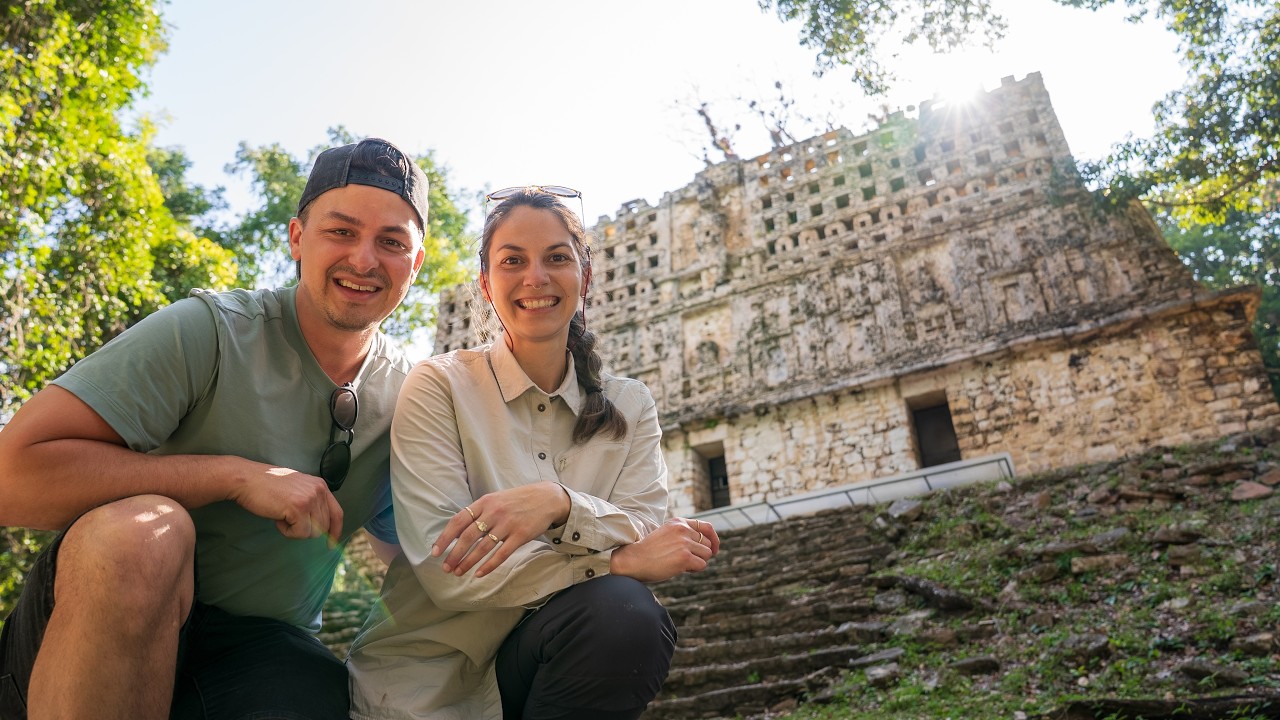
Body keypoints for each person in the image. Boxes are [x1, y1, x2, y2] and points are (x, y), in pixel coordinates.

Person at [0, 137, 431, 720]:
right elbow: (11, 477)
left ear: (416, 263)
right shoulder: (209, 331)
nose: (363, 259)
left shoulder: (414, 397)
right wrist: (232, 476)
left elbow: (419, 555)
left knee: (321, 686)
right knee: (146, 534)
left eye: (391, 242)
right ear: (297, 237)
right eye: (341, 231)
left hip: (255, 659)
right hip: (90, 622)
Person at [346, 186, 721, 720]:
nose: (536, 278)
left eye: (557, 258)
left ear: (585, 275)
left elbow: (644, 526)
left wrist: (559, 504)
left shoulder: (631, 405)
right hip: (429, 684)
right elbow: (446, 564)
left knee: (626, 616)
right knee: (619, 600)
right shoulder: (439, 385)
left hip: (565, 656)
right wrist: (612, 561)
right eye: (513, 261)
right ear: (486, 283)